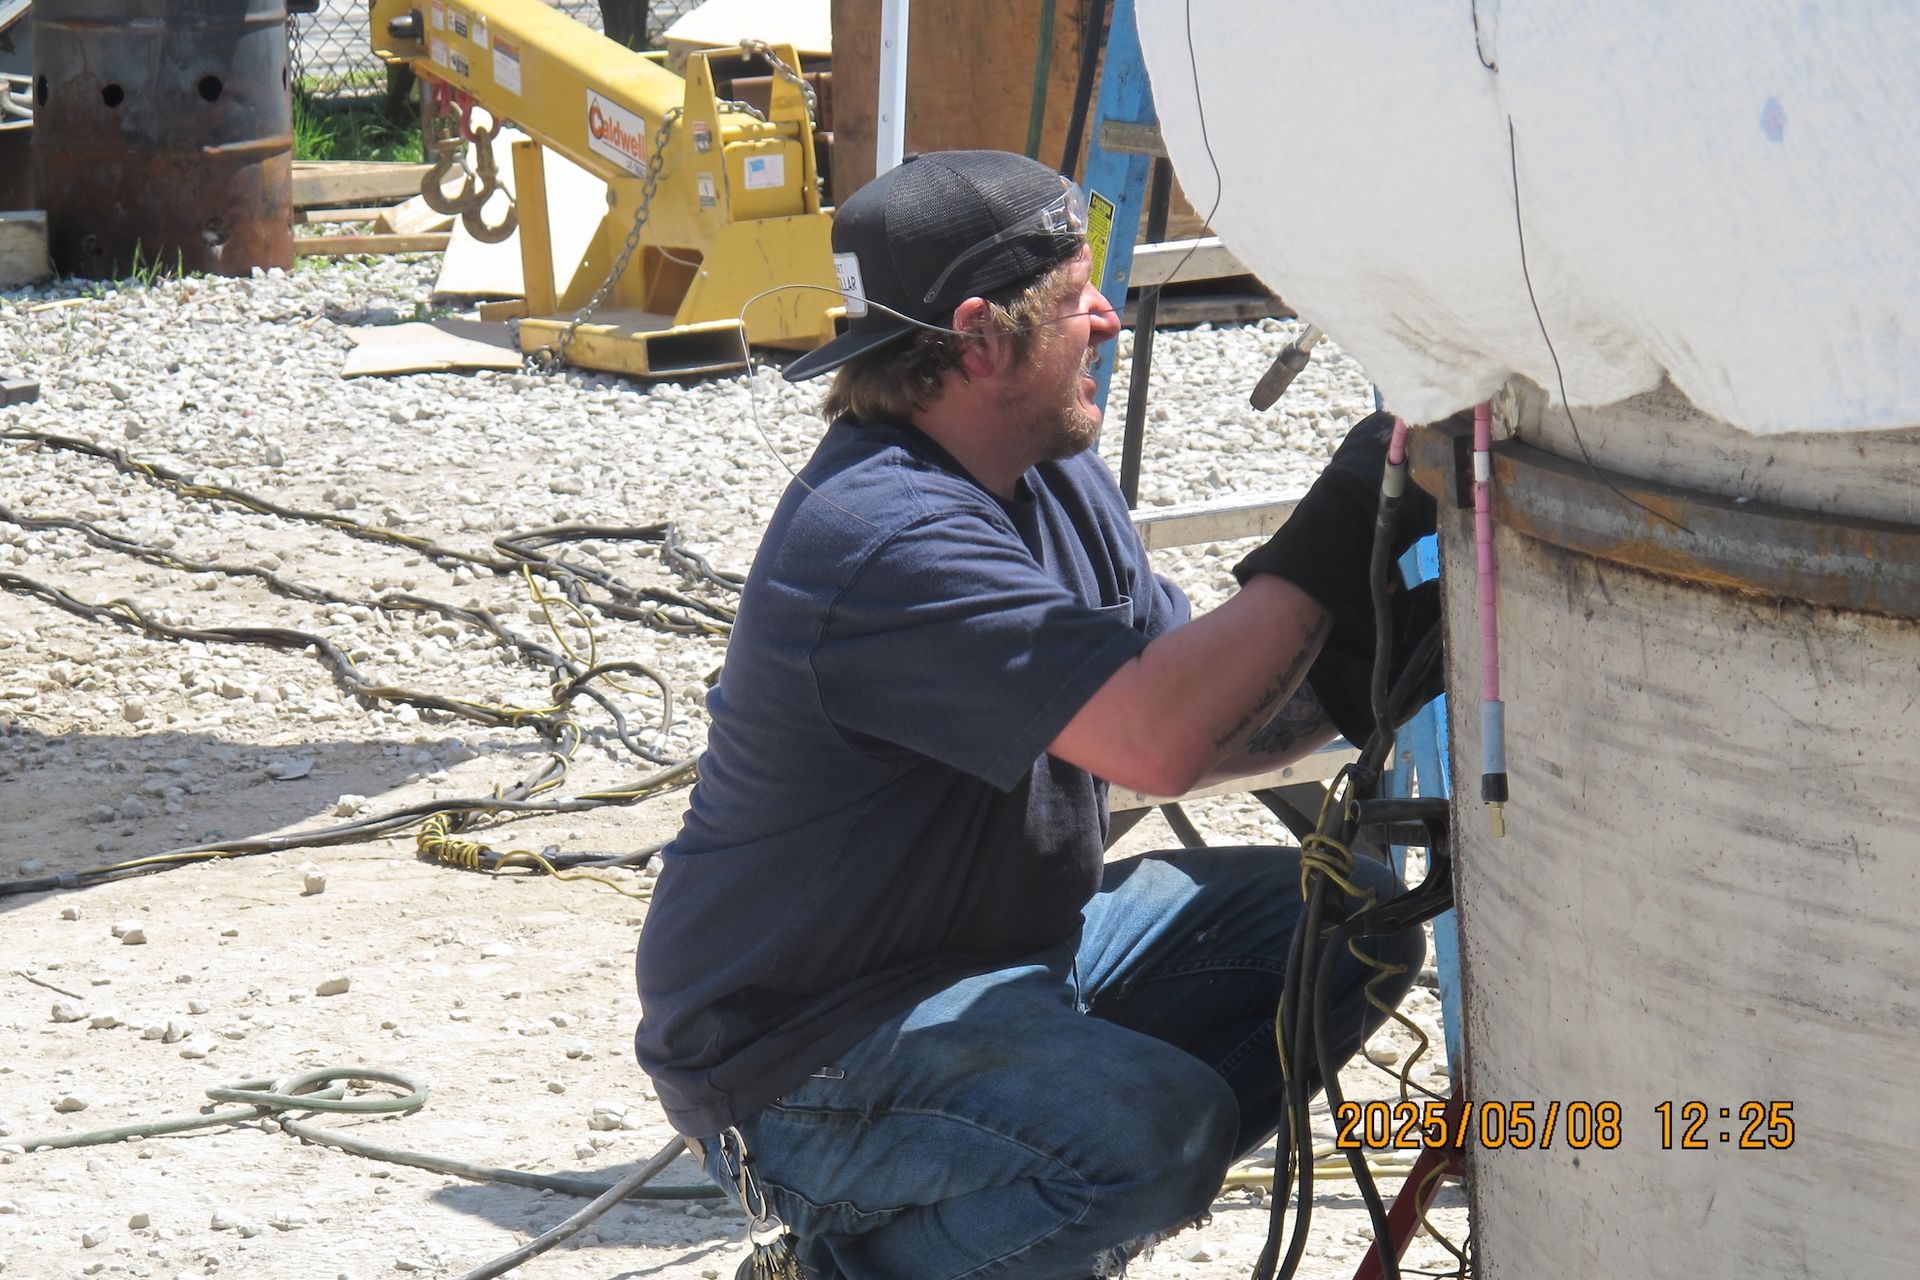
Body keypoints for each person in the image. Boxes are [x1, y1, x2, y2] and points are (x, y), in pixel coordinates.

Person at [635, 150, 1433, 1280]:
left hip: (1012, 959)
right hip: (803, 1055)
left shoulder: (1049, 476)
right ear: (977, 335)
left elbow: (1189, 718)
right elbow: (1156, 741)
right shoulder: (882, 536)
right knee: (1153, 1129)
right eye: (1075, 297)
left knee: (1350, 926)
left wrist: (1371, 667)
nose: (1109, 317)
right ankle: (863, 1260)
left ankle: (1037, 1216)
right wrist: (1350, 507)